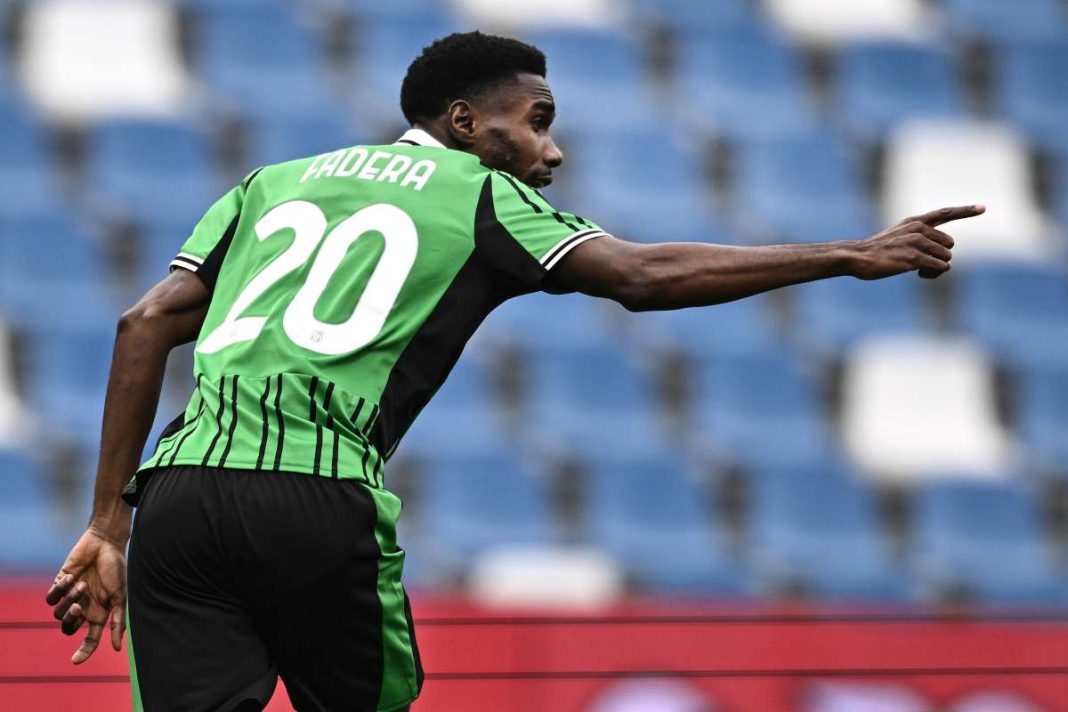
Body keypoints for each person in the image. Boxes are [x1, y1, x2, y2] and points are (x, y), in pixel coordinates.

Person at [44, 30, 983, 712]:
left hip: (180, 494)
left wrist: (106, 523)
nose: (552, 149)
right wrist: (848, 253)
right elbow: (643, 277)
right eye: (536, 123)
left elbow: (144, 323)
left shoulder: (270, 183)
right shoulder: (479, 193)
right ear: (465, 123)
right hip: (316, 491)